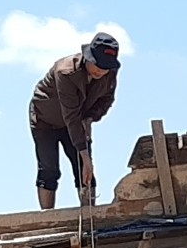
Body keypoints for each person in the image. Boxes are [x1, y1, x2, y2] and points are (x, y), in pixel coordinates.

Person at [28, 32, 120, 210]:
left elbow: (107, 99)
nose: (100, 71)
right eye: (97, 65)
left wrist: (90, 118)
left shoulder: (109, 73)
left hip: (78, 120)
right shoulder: (65, 71)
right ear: (88, 58)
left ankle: (89, 214)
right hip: (45, 120)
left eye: (105, 67)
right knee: (49, 169)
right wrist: (85, 155)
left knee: (84, 169)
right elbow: (70, 114)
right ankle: (48, 217)